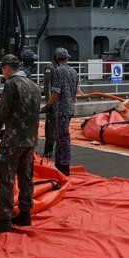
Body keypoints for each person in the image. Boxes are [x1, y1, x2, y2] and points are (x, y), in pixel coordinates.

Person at [0, 53, 39, 233]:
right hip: (31, 139)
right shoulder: (34, 86)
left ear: (7, 68)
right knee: (26, 177)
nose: (3, 73)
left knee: (6, 178)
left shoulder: (11, 85)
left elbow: (3, 111)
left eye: (2, 70)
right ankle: (25, 215)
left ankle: (5, 220)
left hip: (13, 140)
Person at [47, 48, 78, 176]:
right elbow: (75, 91)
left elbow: (56, 91)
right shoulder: (74, 71)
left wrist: (48, 104)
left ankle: (63, 165)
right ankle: (61, 163)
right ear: (67, 57)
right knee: (62, 136)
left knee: (62, 137)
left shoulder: (58, 71)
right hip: (70, 107)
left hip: (62, 109)